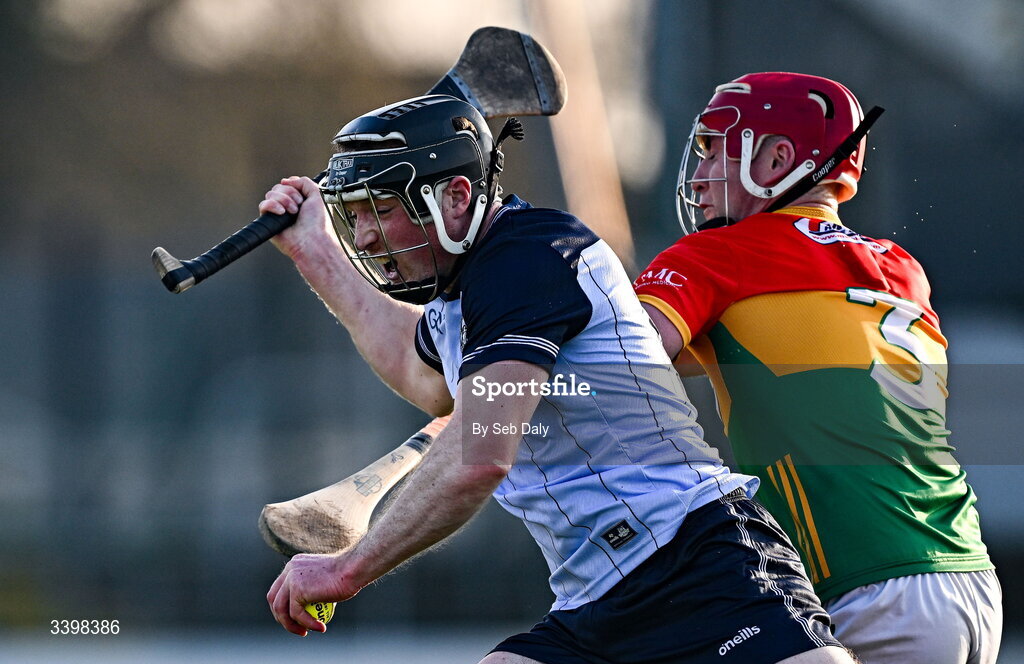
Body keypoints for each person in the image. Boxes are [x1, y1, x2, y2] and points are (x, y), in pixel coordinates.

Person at [260, 93, 856, 663]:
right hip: (594, 600)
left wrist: (349, 567)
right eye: (355, 216)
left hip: (697, 560)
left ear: (457, 195)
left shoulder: (530, 258)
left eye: (382, 211)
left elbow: (478, 457)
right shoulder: (460, 294)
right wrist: (314, 250)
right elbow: (424, 379)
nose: (364, 236)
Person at [634, 72, 1001, 664]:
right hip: (965, 570)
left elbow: (622, 358)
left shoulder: (722, 255)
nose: (698, 176)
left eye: (716, 150)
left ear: (777, 158)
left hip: (862, 585)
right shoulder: (903, 267)